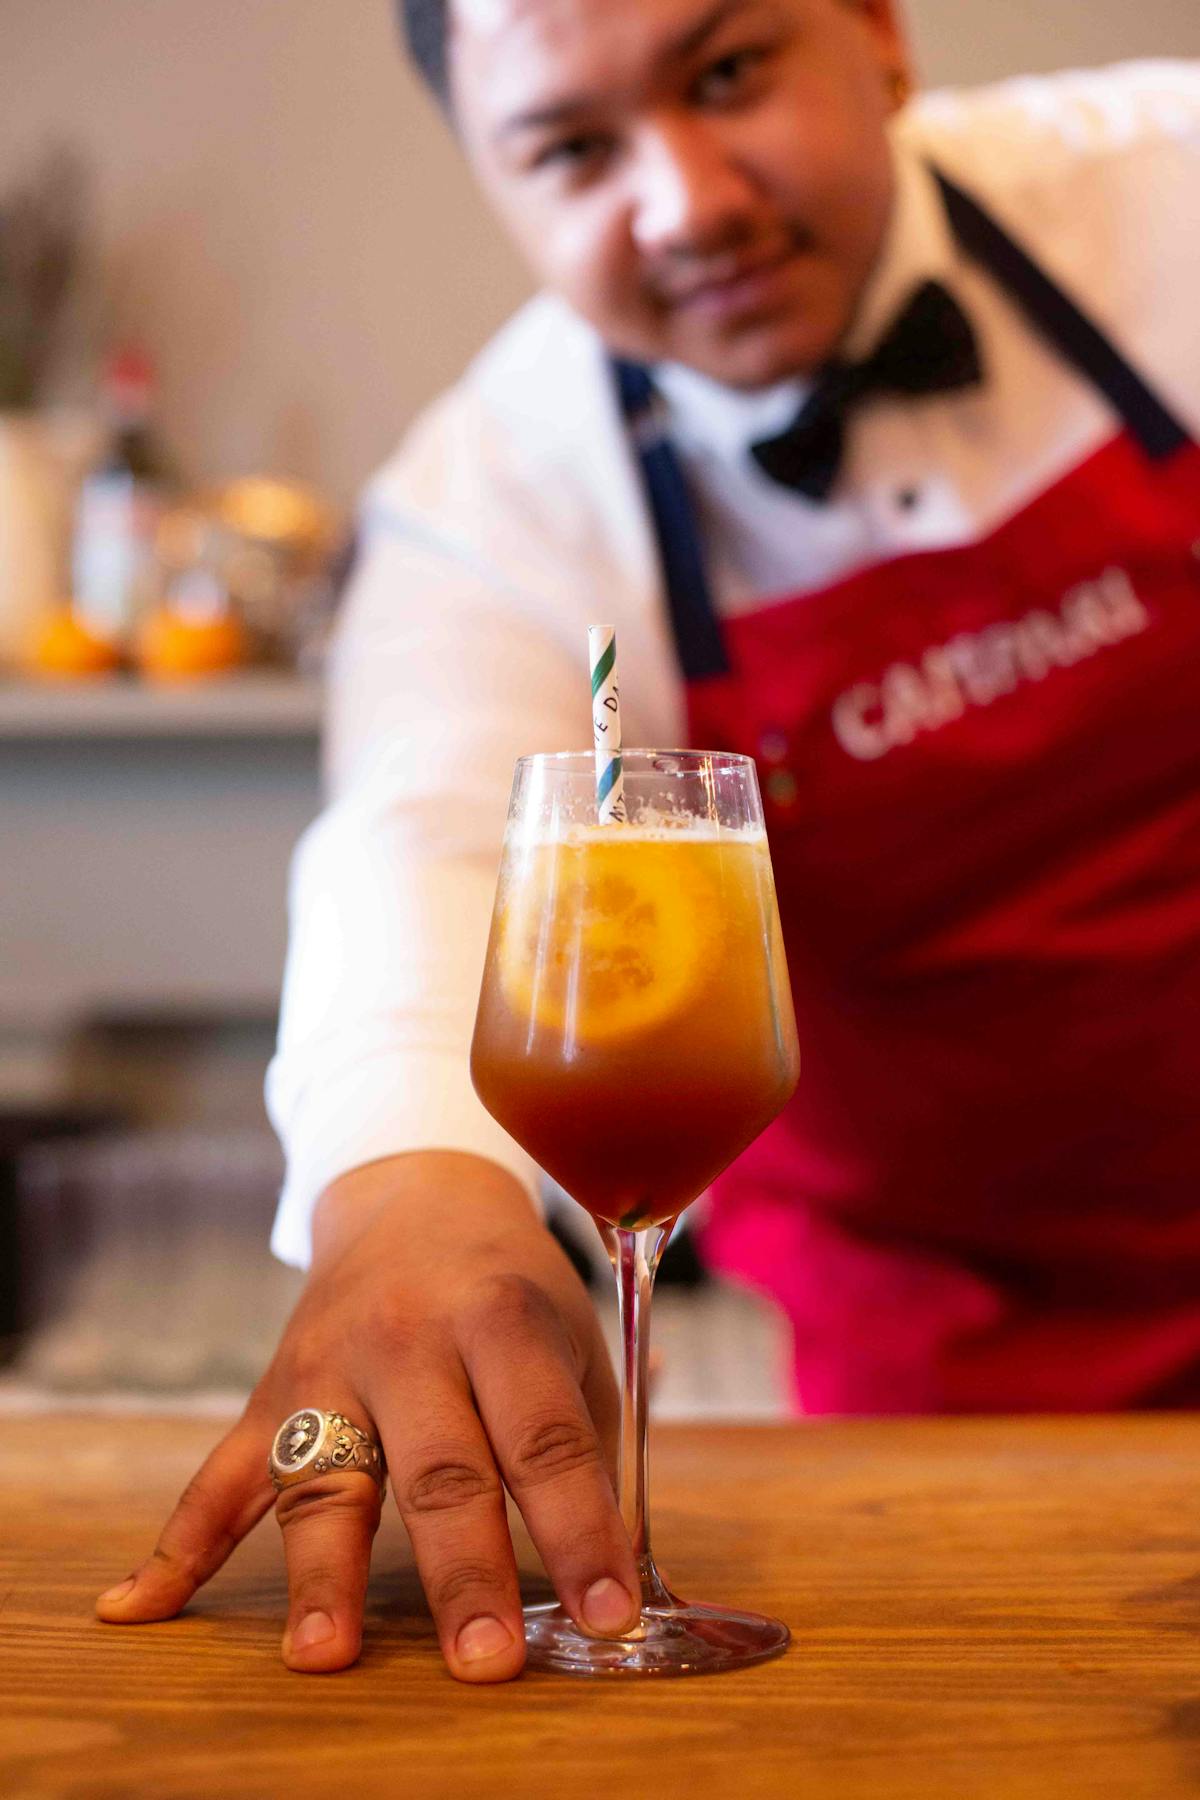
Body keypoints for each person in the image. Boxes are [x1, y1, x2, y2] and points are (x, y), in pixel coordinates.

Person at [97, 0, 1200, 1683]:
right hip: (948, 1360)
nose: (685, 200)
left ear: (883, 37)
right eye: (571, 148)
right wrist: (409, 1192)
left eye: (731, 71)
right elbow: (422, 828)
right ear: (491, 176)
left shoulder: (1168, 187)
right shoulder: (499, 496)